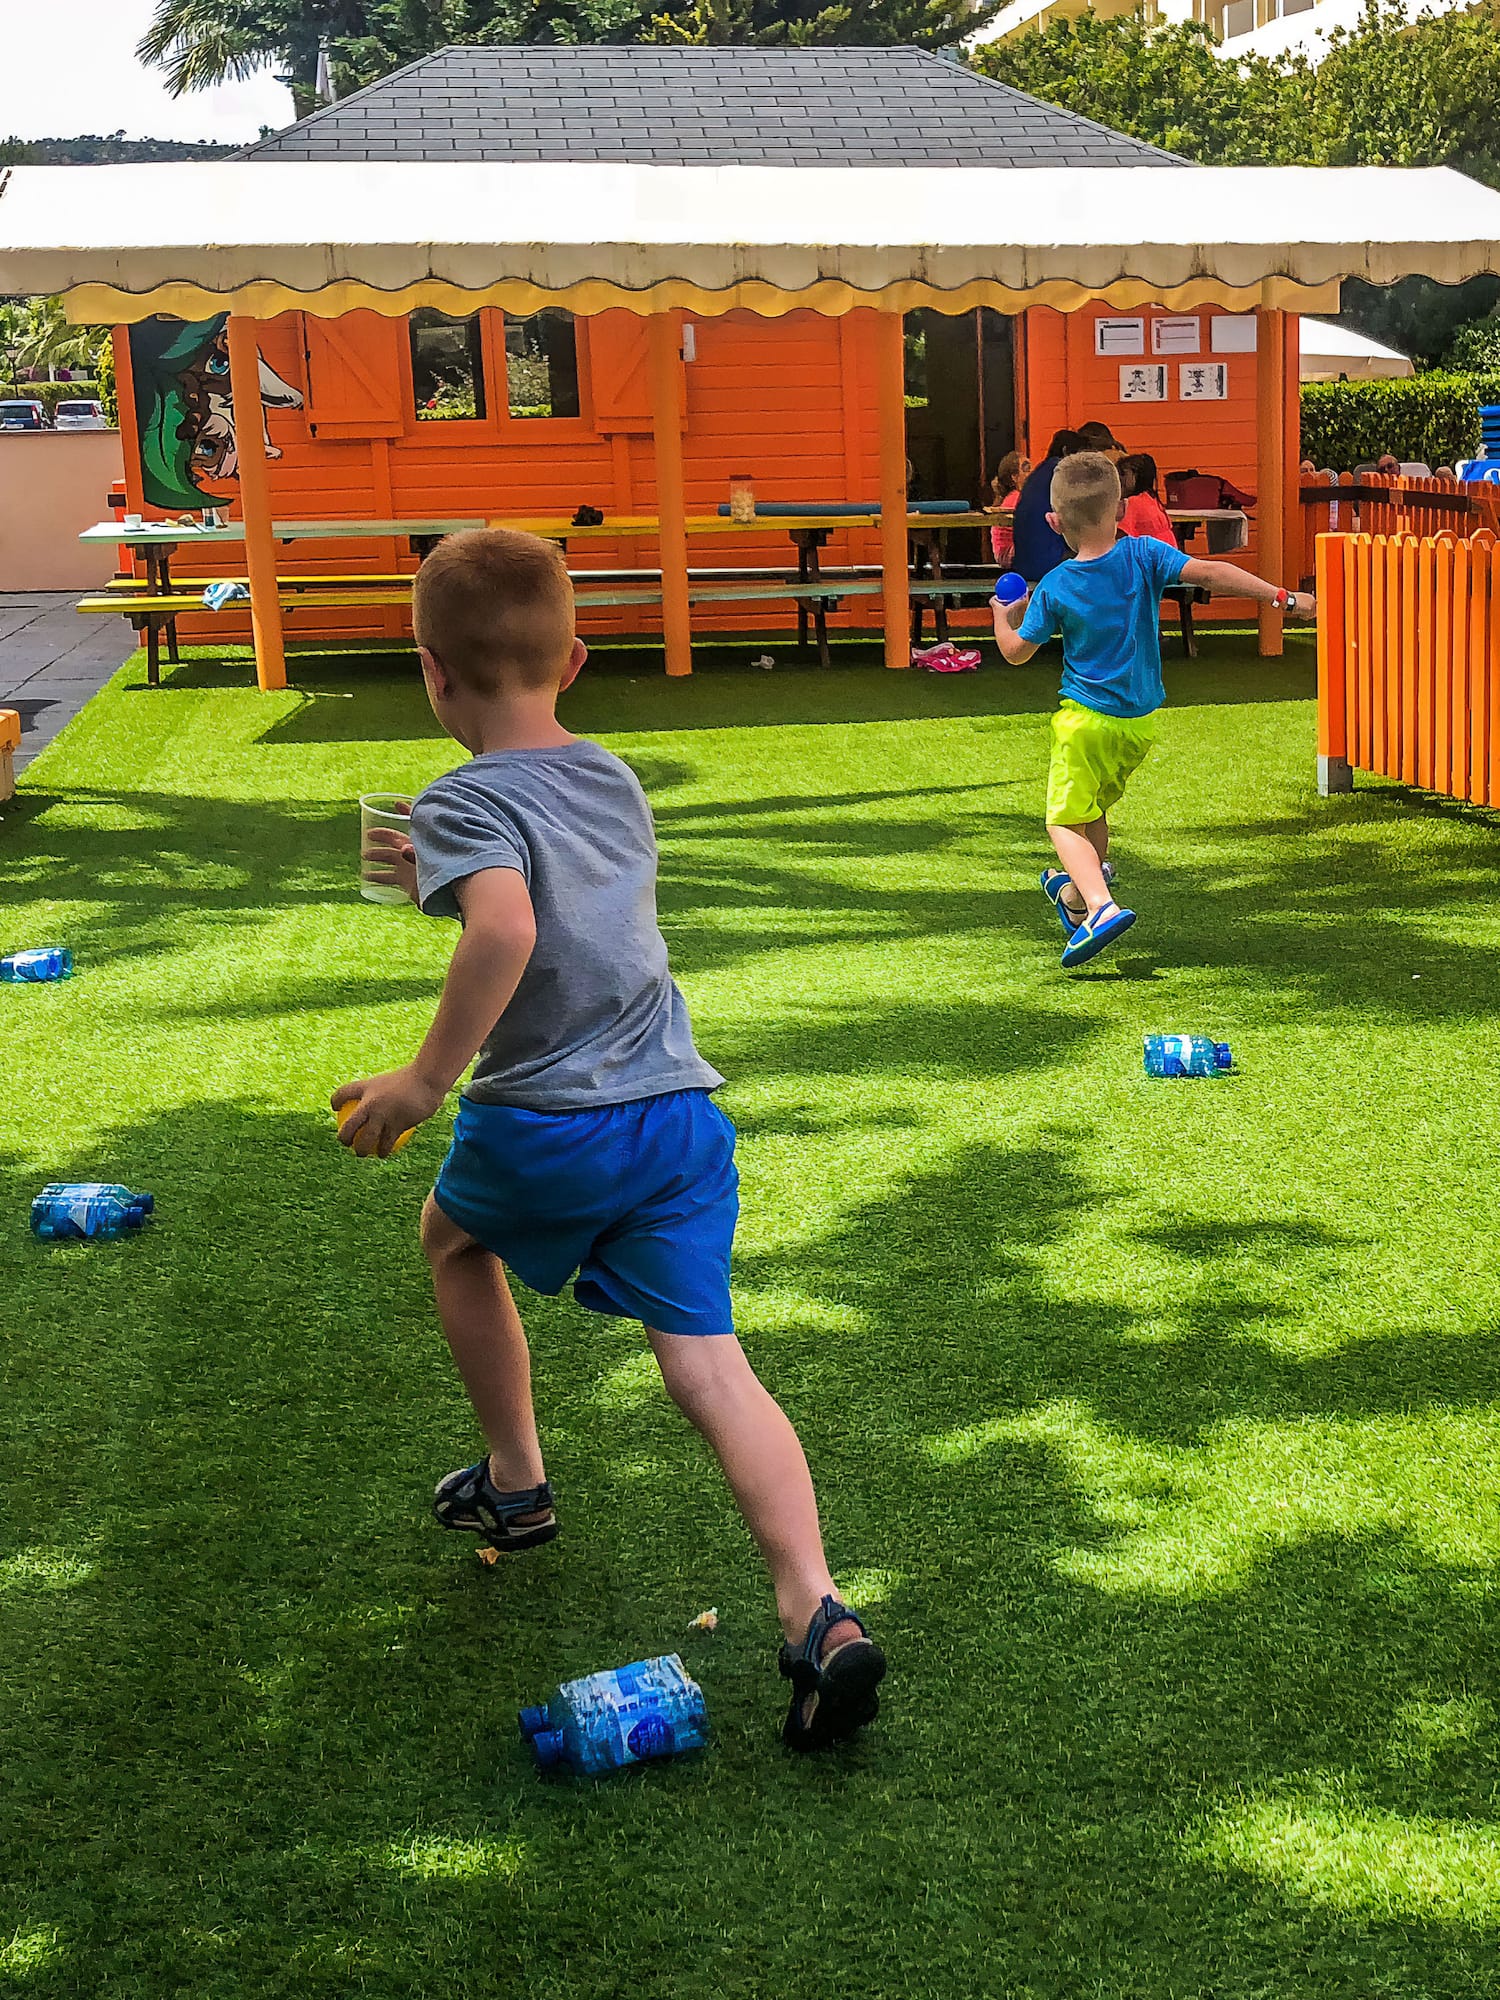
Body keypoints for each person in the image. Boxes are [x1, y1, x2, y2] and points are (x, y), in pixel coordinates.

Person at [332, 528, 886, 1751]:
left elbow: (509, 930)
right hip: (680, 1120)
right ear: (573, 657)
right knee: (708, 1366)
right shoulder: (614, 776)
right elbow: (560, 880)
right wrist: (439, 858)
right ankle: (816, 1606)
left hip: (550, 1121)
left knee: (451, 1242)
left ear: (430, 672)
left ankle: (518, 1480)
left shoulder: (459, 794)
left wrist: (427, 1080)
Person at [990, 453, 1316, 968]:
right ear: (1120, 509)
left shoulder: (1054, 585)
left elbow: (1015, 653)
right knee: (1092, 809)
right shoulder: (1144, 555)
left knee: (1061, 822)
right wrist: (1283, 598)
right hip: (1138, 727)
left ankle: (1098, 905)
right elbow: (1211, 571)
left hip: (1084, 723)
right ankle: (1076, 894)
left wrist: (1001, 617)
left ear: (1054, 523)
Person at [1012, 427, 1084, 582]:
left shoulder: (1039, 473)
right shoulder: (1062, 472)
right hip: (1048, 563)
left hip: (1024, 563)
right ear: (1066, 451)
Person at [1118, 454, 1176, 547]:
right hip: (1168, 552)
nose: (1119, 478)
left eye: (1123, 473)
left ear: (1136, 475)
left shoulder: (1133, 503)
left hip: (1150, 555)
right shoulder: (1151, 498)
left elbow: (1120, 535)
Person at [988, 448, 1029, 566]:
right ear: (1014, 477)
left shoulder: (1014, 497)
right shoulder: (1015, 498)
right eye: (1026, 469)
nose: (1031, 473)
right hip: (1009, 554)